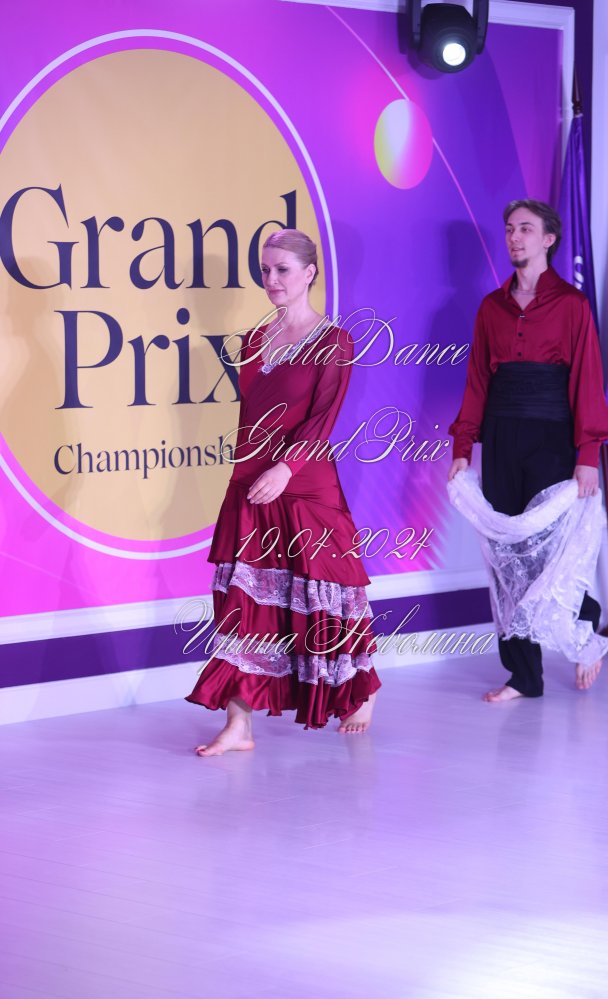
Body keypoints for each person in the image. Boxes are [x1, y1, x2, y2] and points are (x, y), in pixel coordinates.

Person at [186, 229, 380, 753]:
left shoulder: (334, 341)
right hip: (252, 483)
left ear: (309, 273)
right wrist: (246, 475)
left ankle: (360, 688)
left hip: (304, 483)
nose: (271, 279)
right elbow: (250, 416)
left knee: (327, 596)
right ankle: (239, 725)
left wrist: (286, 470)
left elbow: (322, 419)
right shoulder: (253, 339)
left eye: (282, 269)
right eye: (265, 270)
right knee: (244, 601)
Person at [448, 199, 608, 702]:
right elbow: (478, 380)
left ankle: (585, 620)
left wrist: (587, 454)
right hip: (501, 436)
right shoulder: (490, 307)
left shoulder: (572, 305)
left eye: (525, 228)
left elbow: (587, 381)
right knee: (506, 557)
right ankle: (523, 675)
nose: (514, 237)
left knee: (545, 554)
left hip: (552, 438)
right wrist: (462, 446)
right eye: (509, 229)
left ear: (548, 239)